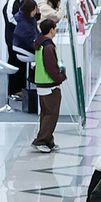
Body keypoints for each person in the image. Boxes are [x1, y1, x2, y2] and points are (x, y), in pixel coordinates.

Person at [32, 18, 67, 152]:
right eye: (55, 27)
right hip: (49, 85)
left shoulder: (40, 44)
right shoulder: (48, 47)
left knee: (46, 113)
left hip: (42, 84)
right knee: (51, 114)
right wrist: (60, 77)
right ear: (51, 30)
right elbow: (51, 67)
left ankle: (48, 140)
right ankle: (41, 140)